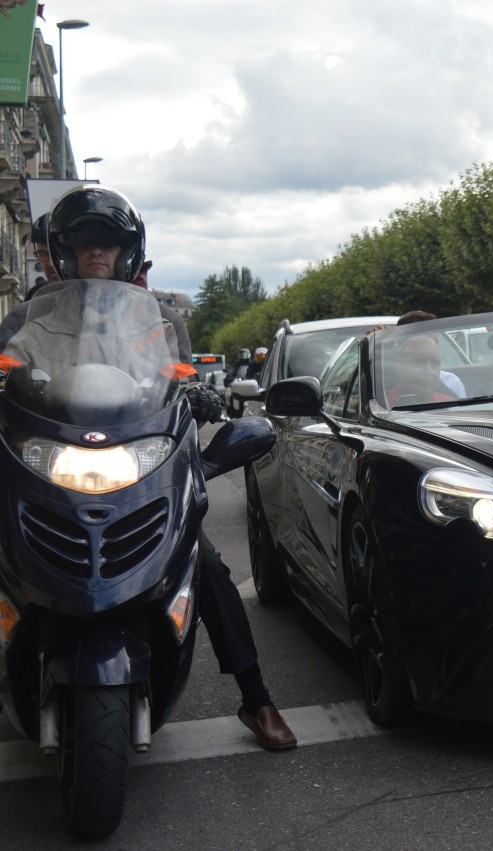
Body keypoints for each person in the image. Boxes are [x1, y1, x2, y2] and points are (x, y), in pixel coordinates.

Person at [9, 186, 297, 751]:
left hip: (138, 467)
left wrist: (197, 393)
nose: (98, 252)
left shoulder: (158, 320)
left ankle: (256, 696)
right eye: (86, 242)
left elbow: (178, 377)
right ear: (64, 251)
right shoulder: (31, 318)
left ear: (128, 251)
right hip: (51, 461)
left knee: (203, 562)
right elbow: (9, 364)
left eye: (109, 243)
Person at [384, 334, 465, 405]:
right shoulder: (382, 406)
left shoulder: (450, 404)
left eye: (434, 363)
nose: (429, 371)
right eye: (419, 362)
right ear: (399, 367)